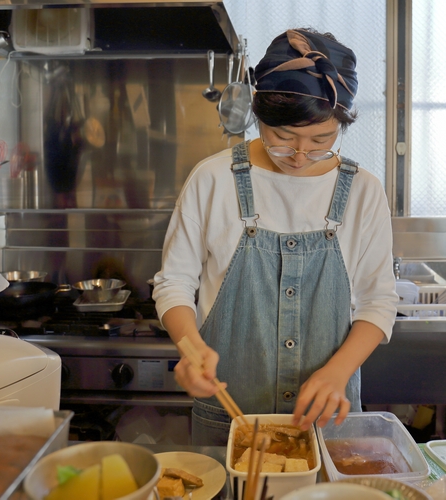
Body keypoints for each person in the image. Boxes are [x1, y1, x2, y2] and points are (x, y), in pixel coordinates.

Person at [152, 28, 399, 446]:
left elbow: (379, 300)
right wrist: (190, 347)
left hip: (327, 420)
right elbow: (174, 282)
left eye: (321, 140)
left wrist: (338, 371)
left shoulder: (363, 190)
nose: (301, 156)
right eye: (283, 138)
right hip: (229, 418)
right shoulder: (213, 178)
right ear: (258, 115)